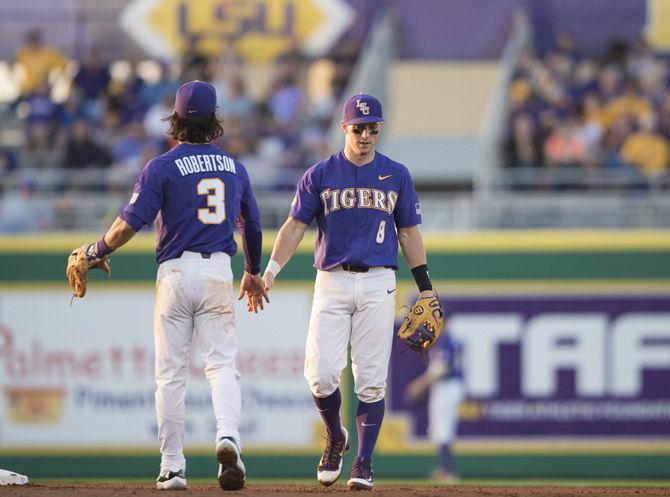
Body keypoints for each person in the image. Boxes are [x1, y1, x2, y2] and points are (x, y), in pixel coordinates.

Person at [66, 81, 269, 491]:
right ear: (214, 122)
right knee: (222, 367)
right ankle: (228, 436)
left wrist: (95, 249)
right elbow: (254, 225)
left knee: (170, 376)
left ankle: (172, 467)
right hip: (216, 272)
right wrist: (251, 270)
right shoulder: (235, 167)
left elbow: (129, 224)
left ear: (175, 121)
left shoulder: (161, 166)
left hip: (175, 274)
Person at [261, 93, 435, 490]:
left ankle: (364, 460)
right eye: (359, 128)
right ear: (344, 128)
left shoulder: (397, 174)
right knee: (320, 375)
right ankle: (336, 436)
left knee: (371, 380)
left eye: (374, 128)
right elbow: (294, 227)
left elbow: (409, 232)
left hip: (378, 281)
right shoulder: (320, 174)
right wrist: (270, 271)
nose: (367, 135)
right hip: (333, 280)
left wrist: (425, 288)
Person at [405, 328, 464, 481]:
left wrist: (420, 385)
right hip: (444, 387)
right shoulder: (441, 340)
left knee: (442, 429)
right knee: (439, 429)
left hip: (447, 386)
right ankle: (444, 469)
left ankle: (448, 471)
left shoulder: (444, 340)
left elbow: (441, 369)